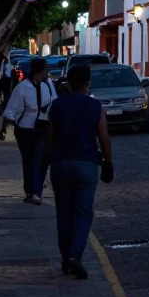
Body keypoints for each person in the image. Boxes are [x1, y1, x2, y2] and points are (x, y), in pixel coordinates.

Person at [48, 62, 113, 279]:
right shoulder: (96, 107)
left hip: (61, 165)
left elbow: (50, 138)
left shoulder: (56, 105)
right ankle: (75, 254)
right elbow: (103, 138)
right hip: (86, 164)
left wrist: (47, 162)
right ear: (87, 83)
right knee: (83, 211)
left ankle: (66, 257)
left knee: (63, 212)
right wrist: (108, 163)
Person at [0, 56, 55, 204]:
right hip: (25, 130)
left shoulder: (47, 86)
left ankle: (36, 192)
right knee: (28, 161)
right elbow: (11, 111)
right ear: (39, 71)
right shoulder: (22, 88)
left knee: (41, 160)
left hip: (42, 129)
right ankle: (30, 191)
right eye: (45, 69)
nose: (47, 72)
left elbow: (54, 105)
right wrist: (3, 129)